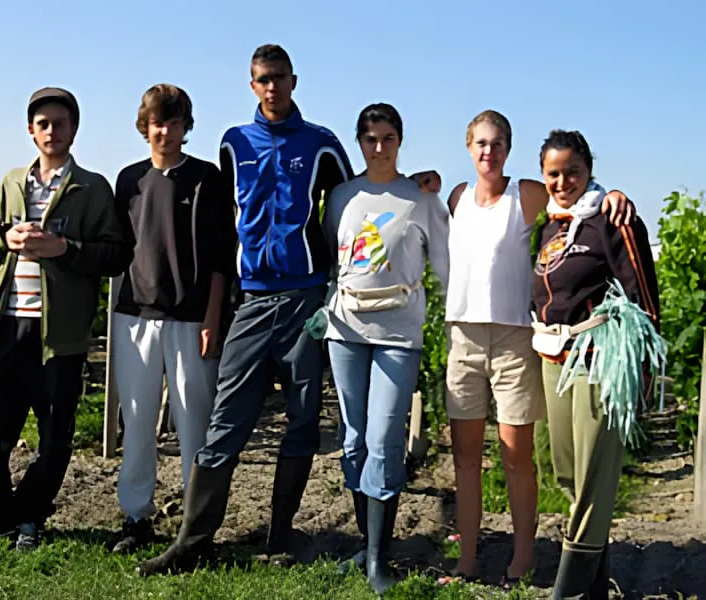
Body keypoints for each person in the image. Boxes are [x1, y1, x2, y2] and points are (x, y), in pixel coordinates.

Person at [136, 43, 354, 575]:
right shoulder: (234, 143)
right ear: (251, 85)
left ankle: (280, 537)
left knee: (303, 421)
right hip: (252, 301)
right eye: (262, 79)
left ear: (294, 81)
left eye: (279, 77)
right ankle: (193, 540)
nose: (271, 86)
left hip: (305, 301)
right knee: (225, 419)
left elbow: (352, 208)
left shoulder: (321, 144)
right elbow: (227, 218)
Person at [443, 110, 633, 584]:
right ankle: (466, 562)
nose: (490, 151)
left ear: (509, 149)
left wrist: (610, 192)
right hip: (462, 338)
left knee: (515, 456)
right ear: (469, 147)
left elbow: (575, 194)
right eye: (482, 143)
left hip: (513, 340)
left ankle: (521, 561)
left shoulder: (525, 195)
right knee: (464, 458)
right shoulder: (456, 197)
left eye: (500, 143)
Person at [0, 87, 129, 550]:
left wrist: (65, 249)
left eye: (61, 123)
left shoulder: (92, 188)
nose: (52, 131)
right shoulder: (12, 183)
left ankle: (30, 516)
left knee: (54, 432)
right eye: (44, 124)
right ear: (31, 131)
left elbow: (115, 254)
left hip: (61, 333)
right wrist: (5, 237)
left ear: (74, 129)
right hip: (6, 324)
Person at [321, 103, 450, 594]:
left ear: (400, 141)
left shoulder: (420, 199)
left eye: (388, 138)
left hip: (398, 335)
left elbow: (444, 265)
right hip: (346, 331)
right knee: (353, 438)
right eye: (370, 138)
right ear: (359, 141)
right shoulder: (341, 197)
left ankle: (380, 558)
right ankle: (364, 543)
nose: (379, 147)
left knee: (383, 439)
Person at [532, 129, 660, 599]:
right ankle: (595, 589)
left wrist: (644, 370)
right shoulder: (551, 224)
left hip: (597, 360)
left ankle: (567, 592)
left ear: (589, 171)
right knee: (567, 473)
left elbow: (644, 294)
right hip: (552, 358)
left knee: (592, 479)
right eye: (553, 174)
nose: (563, 181)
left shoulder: (611, 218)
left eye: (572, 172)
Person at [110, 84, 235, 553]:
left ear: (186, 126)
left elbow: (223, 256)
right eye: (158, 122)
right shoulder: (128, 180)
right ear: (146, 127)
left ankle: (194, 527)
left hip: (191, 319)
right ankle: (135, 517)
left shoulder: (207, 179)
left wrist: (212, 317)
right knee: (137, 422)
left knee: (194, 427)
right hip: (134, 317)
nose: (166, 131)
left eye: (175, 122)